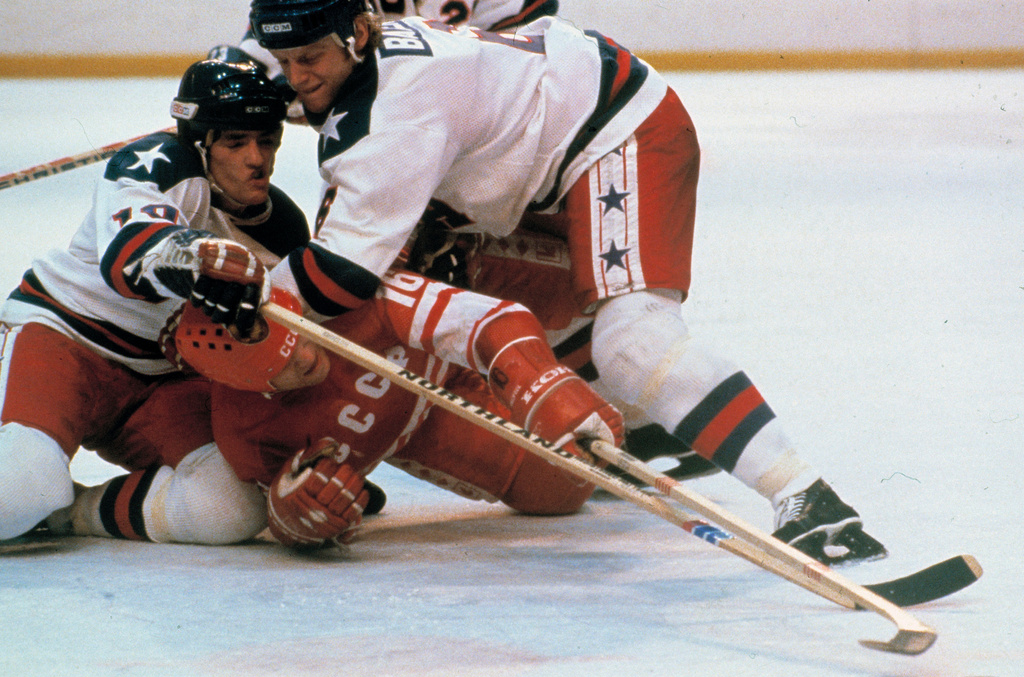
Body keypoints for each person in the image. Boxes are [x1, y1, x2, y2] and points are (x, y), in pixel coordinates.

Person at [236, 0, 887, 565]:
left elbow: (337, 281)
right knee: (462, 274)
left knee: (634, 342)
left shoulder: (392, 111)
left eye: (310, 57)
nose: (297, 77)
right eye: (283, 59)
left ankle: (806, 497)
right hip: (546, 154)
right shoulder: (365, 52)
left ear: (357, 32)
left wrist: (250, 298)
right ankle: (638, 418)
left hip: (612, 131)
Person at [0, 58, 308, 544]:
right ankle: (32, 486)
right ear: (201, 143)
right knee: (19, 490)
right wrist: (198, 259)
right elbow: (130, 259)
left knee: (234, 507)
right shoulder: (158, 162)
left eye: (266, 140)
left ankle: (70, 514)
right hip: (63, 340)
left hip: (157, 383)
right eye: (235, 141)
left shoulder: (282, 230)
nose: (256, 159)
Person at [163, 270, 622, 549]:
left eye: (300, 333)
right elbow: (278, 515)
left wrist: (540, 384)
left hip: (455, 333)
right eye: (281, 365)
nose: (305, 355)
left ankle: (594, 371)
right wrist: (294, 518)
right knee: (557, 489)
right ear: (245, 385)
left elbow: (486, 319)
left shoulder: (335, 293)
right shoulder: (244, 432)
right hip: (419, 427)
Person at [208, 0, 559, 123]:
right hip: (365, 143)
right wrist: (222, 84)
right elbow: (254, 58)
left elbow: (523, 75)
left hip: (474, 149)